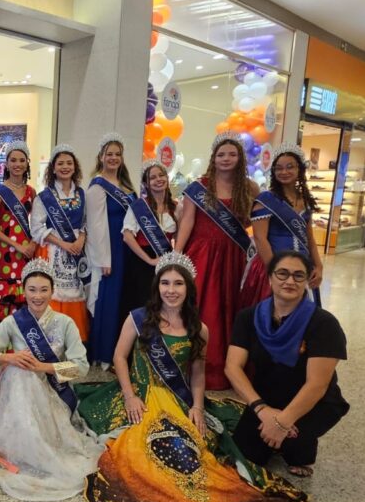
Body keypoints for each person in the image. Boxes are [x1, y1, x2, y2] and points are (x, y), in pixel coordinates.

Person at [75, 252, 315, 502]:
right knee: (146, 452)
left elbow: (197, 373)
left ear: (188, 287)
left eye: (178, 283)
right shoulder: (137, 318)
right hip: (142, 395)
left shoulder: (198, 329)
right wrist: (129, 397)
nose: (171, 290)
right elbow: (119, 358)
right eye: (165, 283)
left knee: (197, 446)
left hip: (178, 399)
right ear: (157, 286)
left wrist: (198, 406)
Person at [0, 259, 104, 501]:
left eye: (44, 290)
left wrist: (44, 367)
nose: (38, 296)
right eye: (32, 289)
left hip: (52, 393)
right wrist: (9, 358)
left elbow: (82, 368)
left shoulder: (65, 323)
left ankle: (36, 442)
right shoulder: (13, 323)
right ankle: (24, 436)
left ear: (52, 290)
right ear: (23, 290)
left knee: (28, 372)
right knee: (19, 371)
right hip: (16, 395)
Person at [226, 250, 349, 478]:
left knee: (295, 444)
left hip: (313, 402)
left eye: (298, 275)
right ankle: (279, 437)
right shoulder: (248, 317)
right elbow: (232, 367)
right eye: (282, 274)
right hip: (267, 398)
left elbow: (317, 385)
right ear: (270, 277)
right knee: (245, 456)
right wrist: (262, 411)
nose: (290, 281)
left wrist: (282, 422)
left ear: (308, 280)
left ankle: (298, 444)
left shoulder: (324, 324)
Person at [174, 132, 260, 390]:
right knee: (200, 305)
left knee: (227, 307)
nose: (226, 158)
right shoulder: (200, 186)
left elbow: (256, 223)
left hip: (233, 256)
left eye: (231, 154)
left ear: (240, 157)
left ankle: (225, 368)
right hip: (201, 253)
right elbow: (187, 220)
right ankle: (190, 367)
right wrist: (176, 255)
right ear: (214, 158)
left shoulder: (250, 188)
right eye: (221, 154)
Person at [240, 144, 324, 307]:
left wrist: (318, 266)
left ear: (299, 169)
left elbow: (310, 240)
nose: (284, 172)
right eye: (279, 168)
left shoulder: (304, 200)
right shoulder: (266, 199)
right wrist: (275, 271)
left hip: (301, 268)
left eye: (289, 167)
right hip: (271, 265)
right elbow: (260, 238)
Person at [30, 145, 91, 341]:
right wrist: (63, 244)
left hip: (77, 250)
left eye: (69, 163)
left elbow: (87, 222)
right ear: (53, 168)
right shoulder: (44, 197)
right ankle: (49, 341)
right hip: (52, 251)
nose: (65, 167)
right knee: (52, 293)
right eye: (60, 163)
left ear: (75, 167)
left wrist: (80, 239)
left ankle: (73, 341)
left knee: (76, 292)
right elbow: (37, 228)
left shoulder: (82, 194)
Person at [87, 133, 136, 368]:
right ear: (101, 157)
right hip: (110, 252)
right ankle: (105, 354)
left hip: (128, 249)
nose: (113, 158)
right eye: (109, 154)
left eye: (118, 154)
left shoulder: (127, 186)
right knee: (109, 302)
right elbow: (96, 226)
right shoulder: (98, 186)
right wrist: (103, 259)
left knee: (124, 301)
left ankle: (122, 353)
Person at [0, 141, 36, 329]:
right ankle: (6, 336)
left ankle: (25, 335)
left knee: (26, 286)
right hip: (6, 249)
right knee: (9, 290)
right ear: (6, 163)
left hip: (28, 249)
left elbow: (37, 223)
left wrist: (32, 244)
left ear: (27, 163)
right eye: (13, 160)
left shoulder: (31, 192)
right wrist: (16, 245)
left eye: (21, 160)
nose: (17, 164)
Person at [120, 159, 177, 322]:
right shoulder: (139, 206)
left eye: (161, 175)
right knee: (141, 303)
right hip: (141, 263)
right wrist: (150, 260)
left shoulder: (176, 207)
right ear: (146, 183)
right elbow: (128, 236)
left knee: (163, 304)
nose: (158, 179)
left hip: (165, 261)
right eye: (153, 177)